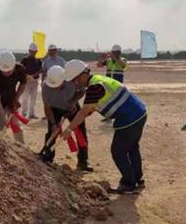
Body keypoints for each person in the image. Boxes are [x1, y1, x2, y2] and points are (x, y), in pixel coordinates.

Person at [62, 60, 147, 194]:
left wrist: (69, 129)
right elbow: (91, 108)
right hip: (139, 112)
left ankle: (129, 183)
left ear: (82, 75)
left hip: (129, 117)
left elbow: (84, 112)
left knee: (118, 151)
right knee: (132, 147)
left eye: (75, 80)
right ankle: (138, 178)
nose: (75, 84)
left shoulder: (94, 87)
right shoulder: (98, 80)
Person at [41, 65, 92, 171]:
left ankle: (83, 161)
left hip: (72, 107)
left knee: (81, 132)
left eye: (59, 86)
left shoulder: (72, 80)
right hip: (55, 109)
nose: (56, 88)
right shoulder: (45, 88)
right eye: (54, 87)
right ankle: (47, 156)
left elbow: (82, 91)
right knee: (51, 132)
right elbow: (47, 107)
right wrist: (54, 124)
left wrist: (73, 102)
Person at [0, 51, 27, 143]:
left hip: (10, 99)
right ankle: (0, 147)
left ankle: (21, 147)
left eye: (9, 71)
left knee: (16, 125)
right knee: (0, 127)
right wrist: (3, 118)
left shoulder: (20, 69)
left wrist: (16, 99)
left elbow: (23, 84)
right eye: (4, 71)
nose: (7, 73)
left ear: (14, 65)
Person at [20, 43, 42, 119]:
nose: (33, 52)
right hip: (26, 82)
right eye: (32, 51)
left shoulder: (38, 61)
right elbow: (21, 69)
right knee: (25, 98)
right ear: (29, 50)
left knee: (33, 98)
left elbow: (41, 70)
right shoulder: (24, 60)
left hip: (35, 82)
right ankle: (24, 113)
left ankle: (31, 114)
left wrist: (34, 75)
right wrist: (27, 76)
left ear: (36, 51)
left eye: (34, 51)